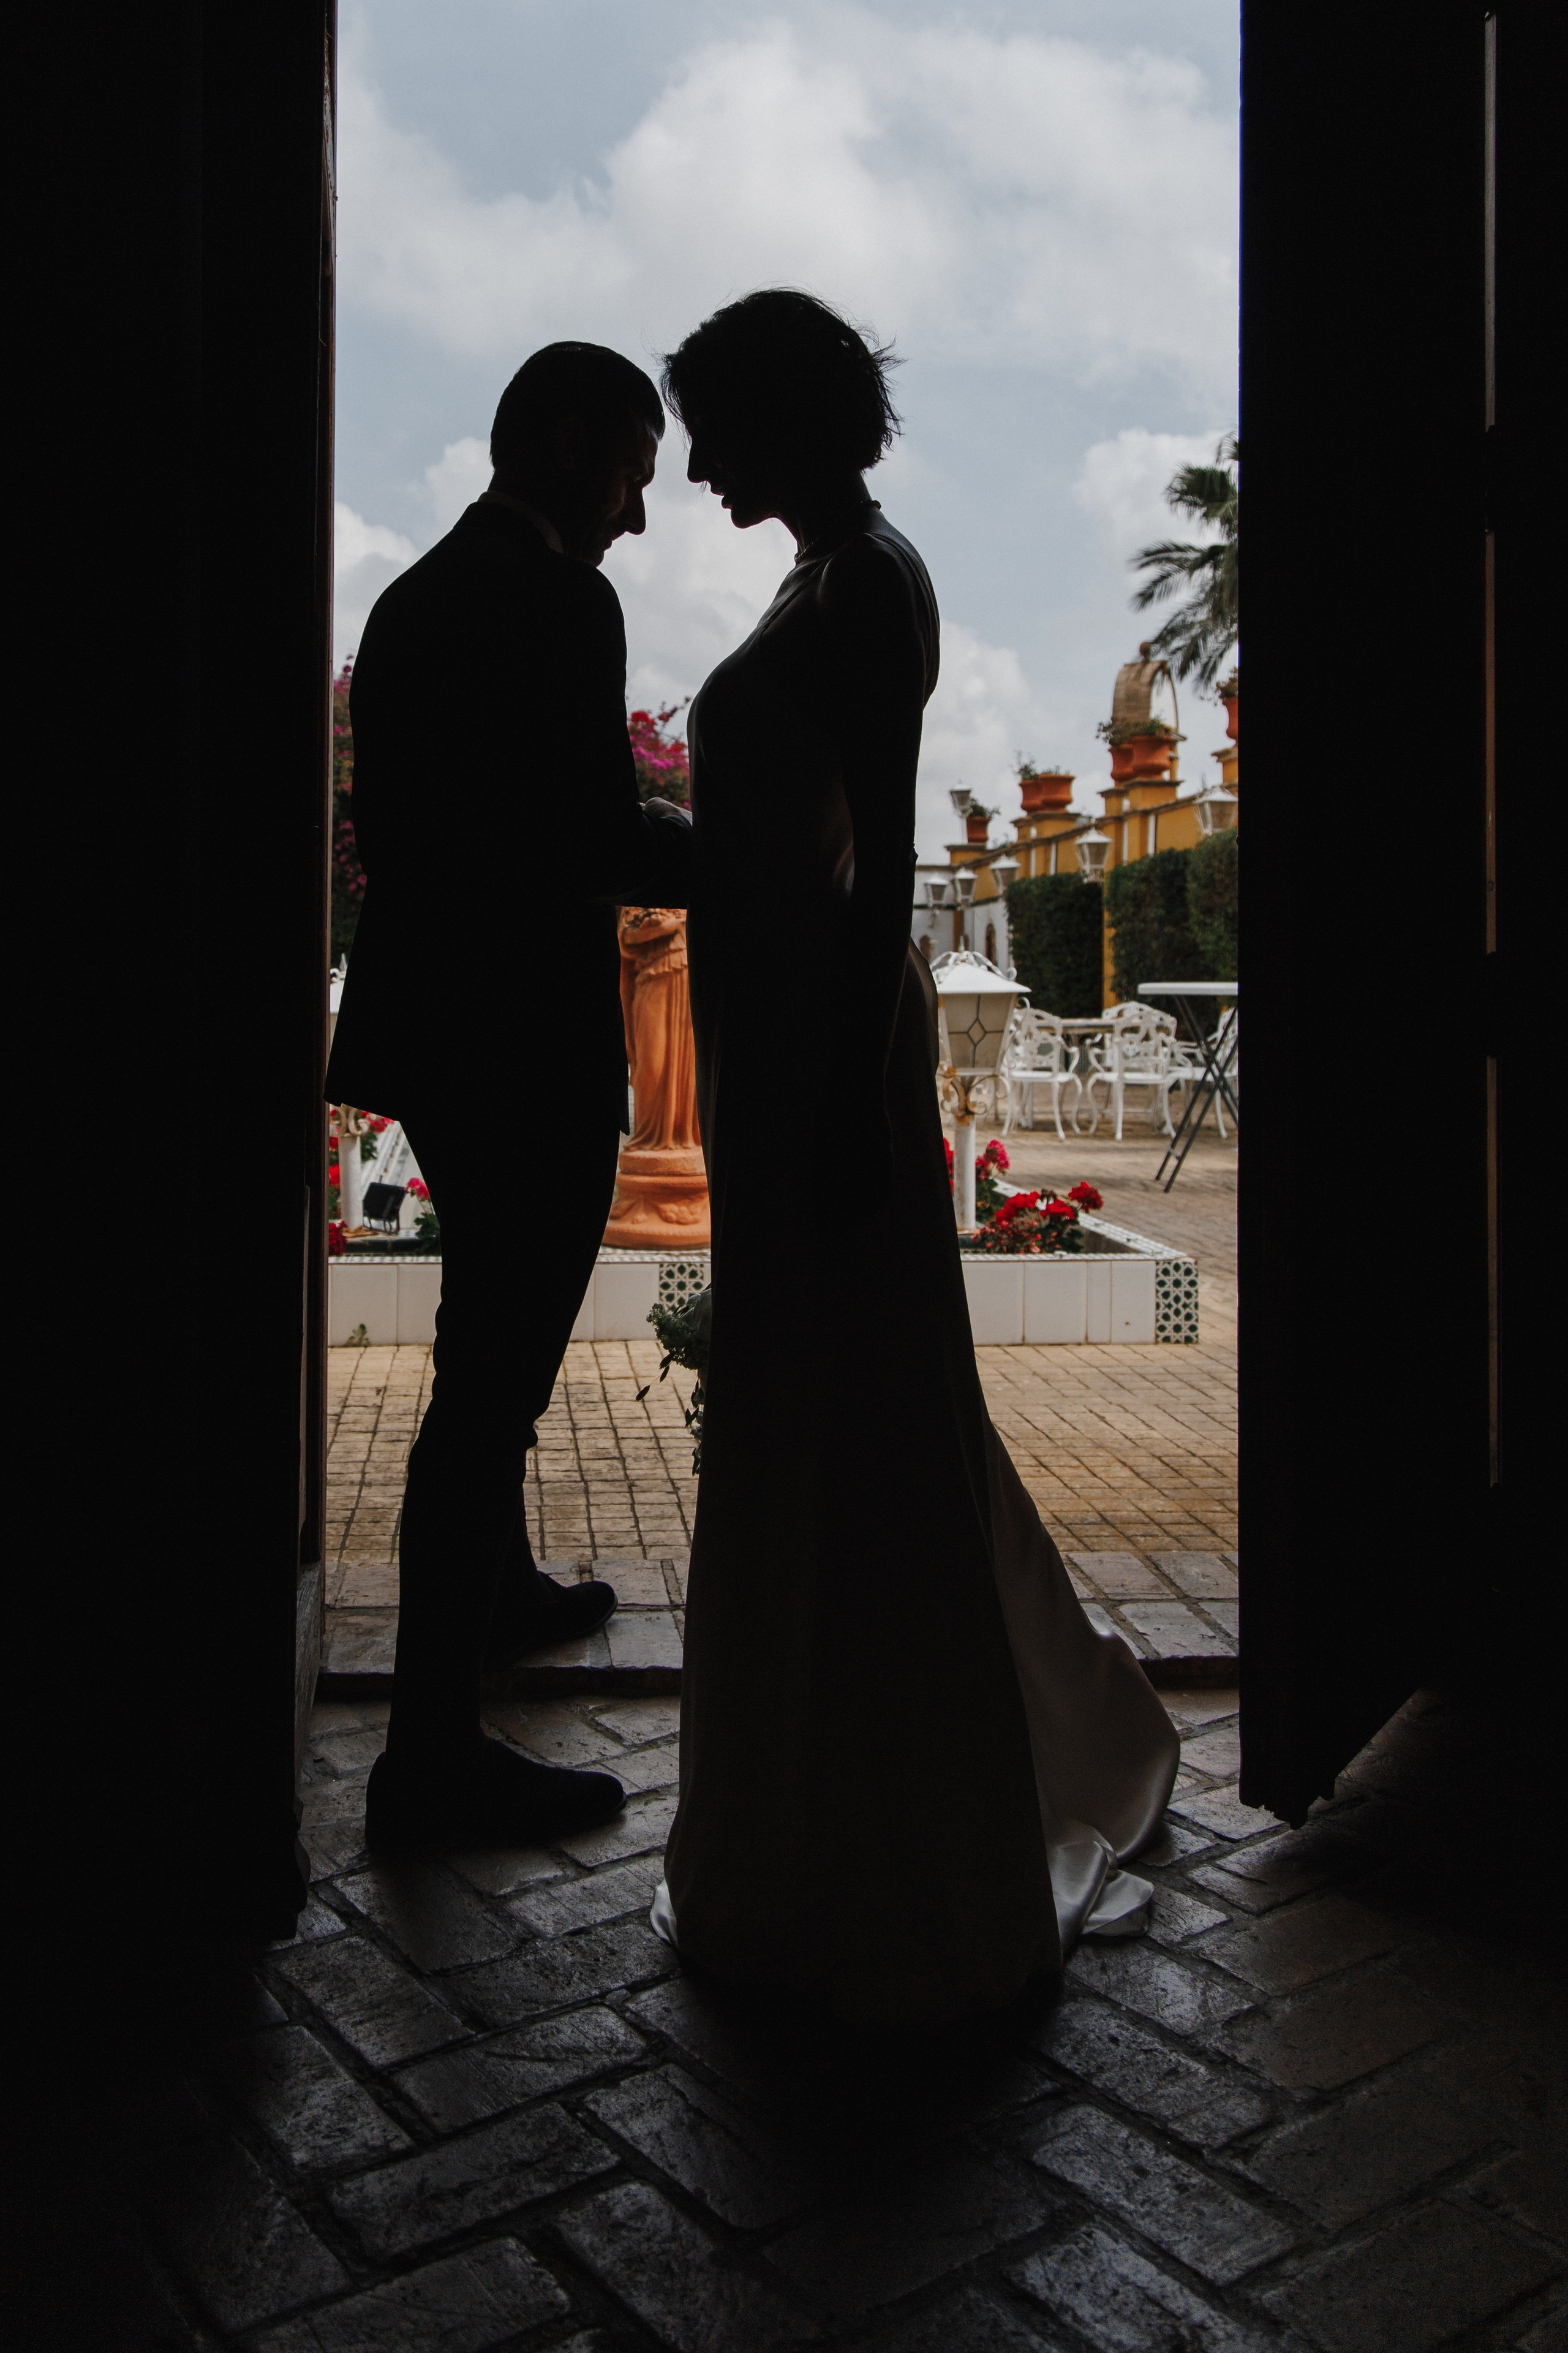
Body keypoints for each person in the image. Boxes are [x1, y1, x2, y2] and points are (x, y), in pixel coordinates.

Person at [652, 291, 1179, 2024]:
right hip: (778, 1034)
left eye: (716, 427)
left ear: (789, 418)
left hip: (817, 1047)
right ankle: (836, 1790)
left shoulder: (868, 581)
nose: (702, 463)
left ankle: (882, 1818)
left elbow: (872, 864)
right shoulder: (825, 579)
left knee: (847, 1406)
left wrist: (829, 1110)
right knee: (834, 1405)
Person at [327, 342, 695, 1849]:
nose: (639, 518)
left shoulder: (412, 599)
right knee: (487, 1384)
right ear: (562, 445)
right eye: (628, 476)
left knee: (489, 1330)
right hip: (522, 1043)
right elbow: (587, 834)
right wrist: (713, 838)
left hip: (431, 1029)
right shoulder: (559, 600)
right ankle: (428, 1753)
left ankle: (502, 1587)